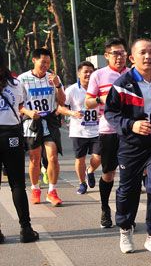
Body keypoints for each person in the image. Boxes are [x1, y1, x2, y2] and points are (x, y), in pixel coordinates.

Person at [104, 39, 151, 256]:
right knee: (129, 190)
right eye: (143, 53)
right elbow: (111, 113)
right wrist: (132, 124)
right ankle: (125, 229)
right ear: (132, 58)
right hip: (131, 145)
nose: (148, 57)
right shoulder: (122, 83)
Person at [85, 38, 129, 228]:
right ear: (107, 56)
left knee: (130, 174)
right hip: (108, 130)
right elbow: (88, 103)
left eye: (122, 53)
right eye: (115, 53)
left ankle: (125, 213)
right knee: (109, 173)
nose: (119, 57)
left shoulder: (134, 74)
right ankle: (105, 208)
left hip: (131, 130)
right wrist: (101, 98)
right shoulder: (98, 75)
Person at [0, 48, 39, 244]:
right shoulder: (16, 83)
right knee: (17, 184)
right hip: (11, 135)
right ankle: (26, 229)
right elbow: (21, 107)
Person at [18, 48, 66, 206]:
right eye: (43, 62)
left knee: (52, 156)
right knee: (35, 159)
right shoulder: (22, 79)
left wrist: (58, 86)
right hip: (31, 123)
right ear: (34, 60)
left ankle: (52, 191)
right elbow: (18, 105)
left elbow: (62, 101)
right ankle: (35, 188)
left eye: (48, 62)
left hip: (50, 121)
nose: (46, 65)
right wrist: (28, 112)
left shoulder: (53, 78)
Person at [62, 61, 101, 195]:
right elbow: (60, 107)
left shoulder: (98, 88)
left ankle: (90, 171)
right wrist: (72, 113)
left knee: (98, 157)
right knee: (80, 159)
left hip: (97, 129)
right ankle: (82, 183)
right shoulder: (72, 90)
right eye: (85, 72)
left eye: (91, 71)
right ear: (79, 74)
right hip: (78, 131)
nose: (89, 74)